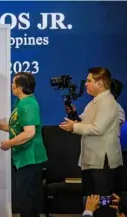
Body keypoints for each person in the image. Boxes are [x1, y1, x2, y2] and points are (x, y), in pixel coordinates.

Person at [60, 67, 122, 217]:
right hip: (91, 160)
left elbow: (97, 128)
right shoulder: (94, 102)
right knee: (92, 202)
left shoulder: (108, 102)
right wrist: (74, 118)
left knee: (103, 204)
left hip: (102, 162)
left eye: (89, 81)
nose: (85, 84)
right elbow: (84, 124)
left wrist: (74, 126)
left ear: (100, 83)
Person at [0, 72, 48, 217]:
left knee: (26, 202)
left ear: (20, 88)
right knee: (24, 200)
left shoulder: (28, 104)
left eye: (13, 83)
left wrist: (8, 143)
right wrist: (1, 126)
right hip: (22, 158)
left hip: (30, 158)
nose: (11, 85)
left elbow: (29, 133)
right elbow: (19, 128)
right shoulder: (20, 103)